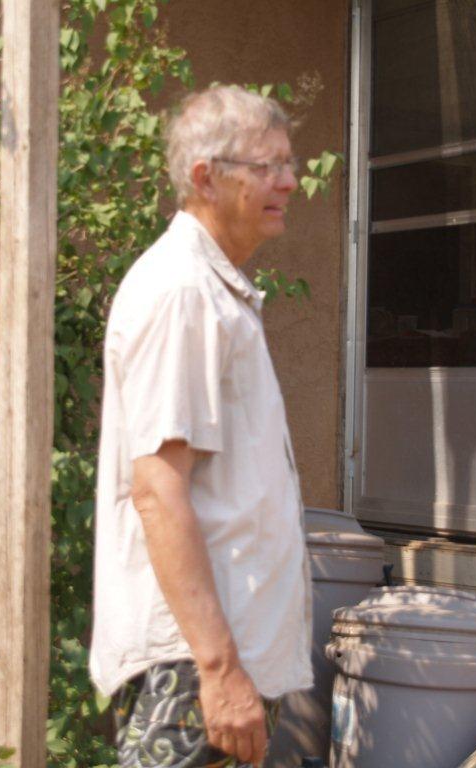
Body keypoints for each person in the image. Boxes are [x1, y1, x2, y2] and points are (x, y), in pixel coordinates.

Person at [89, 85, 312, 768]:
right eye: (267, 167)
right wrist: (218, 670)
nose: (288, 182)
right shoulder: (182, 291)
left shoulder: (214, 288)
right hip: (193, 664)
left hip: (217, 656)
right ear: (205, 178)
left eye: (289, 164)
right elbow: (158, 490)